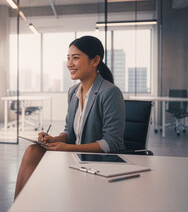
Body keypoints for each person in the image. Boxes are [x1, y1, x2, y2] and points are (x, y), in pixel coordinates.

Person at [14, 36, 125, 199]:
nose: (69, 64)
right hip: (74, 155)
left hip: (98, 161)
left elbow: (112, 143)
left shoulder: (110, 92)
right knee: (33, 150)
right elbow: (70, 134)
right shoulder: (73, 92)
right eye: (68, 58)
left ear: (95, 61)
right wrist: (54, 139)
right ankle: (18, 206)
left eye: (75, 58)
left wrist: (68, 148)